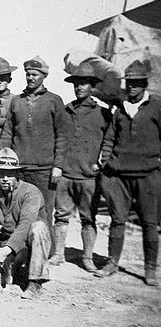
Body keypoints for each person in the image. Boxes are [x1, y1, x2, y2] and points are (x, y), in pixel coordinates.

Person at [96, 60, 161, 286]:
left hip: (148, 174)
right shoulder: (121, 109)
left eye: (136, 83)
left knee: (149, 223)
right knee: (117, 219)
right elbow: (110, 138)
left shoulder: (156, 106)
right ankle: (112, 262)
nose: (132, 87)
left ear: (144, 84)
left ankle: (150, 270)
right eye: (129, 83)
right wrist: (106, 161)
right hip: (119, 174)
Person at [0, 56, 71, 240]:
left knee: (43, 212)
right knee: (16, 210)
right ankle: (18, 252)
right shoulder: (17, 101)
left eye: (34, 74)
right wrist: (1, 161)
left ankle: (42, 255)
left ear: (43, 76)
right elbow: (7, 133)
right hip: (19, 169)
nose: (30, 78)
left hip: (44, 170)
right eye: (28, 74)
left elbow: (62, 135)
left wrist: (58, 166)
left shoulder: (54, 101)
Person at [49, 62, 111, 272]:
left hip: (88, 177)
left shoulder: (103, 114)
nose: (79, 88)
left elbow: (110, 141)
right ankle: (58, 254)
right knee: (61, 216)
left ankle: (87, 258)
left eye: (84, 83)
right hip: (65, 174)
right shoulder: (65, 111)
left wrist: (101, 163)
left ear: (92, 86)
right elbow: (57, 138)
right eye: (76, 84)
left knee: (88, 218)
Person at [0, 148, 52, 300]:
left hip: (31, 244)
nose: (5, 178)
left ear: (17, 174)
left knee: (38, 228)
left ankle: (36, 282)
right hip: (8, 246)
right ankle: (14, 273)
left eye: (9, 174)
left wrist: (7, 250)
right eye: (0, 173)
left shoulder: (30, 192)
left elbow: (26, 225)